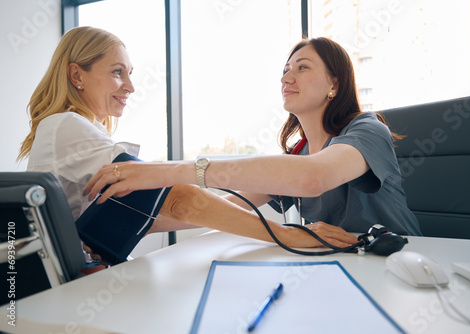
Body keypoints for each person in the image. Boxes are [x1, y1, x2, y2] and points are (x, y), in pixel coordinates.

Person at [18, 27, 356, 266]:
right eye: (118, 72)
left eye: (131, 73)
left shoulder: (360, 130)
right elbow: (176, 200)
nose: (132, 86)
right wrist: (286, 234)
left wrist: (232, 217)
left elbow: (162, 210)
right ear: (77, 75)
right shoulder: (67, 125)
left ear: (334, 85)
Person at [85, 37, 422, 238]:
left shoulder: (366, 129)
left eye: (302, 67)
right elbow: (229, 205)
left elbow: (314, 178)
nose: (287, 77)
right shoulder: (297, 157)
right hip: (346, 264)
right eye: (285, 70)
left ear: (334, 84)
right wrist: (121, 225)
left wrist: (170, 171)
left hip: (399, 263)